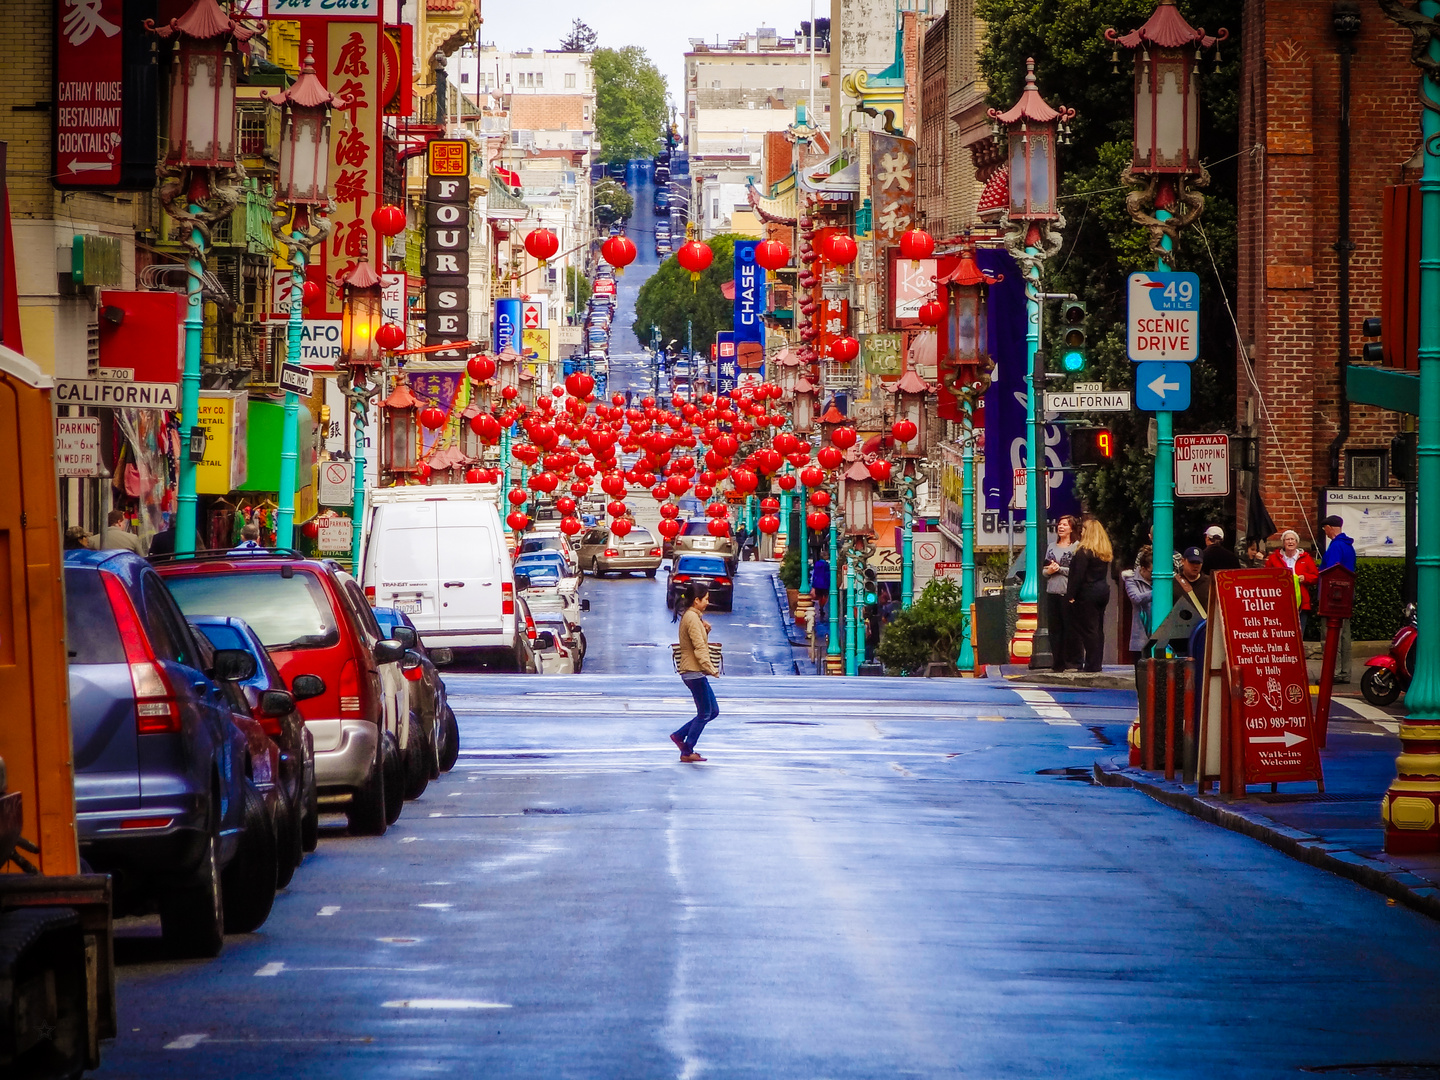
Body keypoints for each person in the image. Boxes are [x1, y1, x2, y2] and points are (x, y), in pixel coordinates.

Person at [670, 582, 720, 762]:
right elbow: (699, 648)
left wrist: (706, 629)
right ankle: (686, 750)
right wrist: (711, 668)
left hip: (695, 671)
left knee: (712, 711)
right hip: (693, 671)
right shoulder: (691, 618)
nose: (708, 602)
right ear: (696, 600)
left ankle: (679, 735)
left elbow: (697, 642)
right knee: (705, 713)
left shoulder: (694, 617)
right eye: (705, 599)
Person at [1065, 517, 1114, 673]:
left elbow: (1077, 576)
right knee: (1098, 629)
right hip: (1102, 591)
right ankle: (1096, 662)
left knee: (1088, 629)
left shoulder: (1083, 552)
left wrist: (1070, 595)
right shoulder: (1102, 552)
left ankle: (1091, 664)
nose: (1081, 531)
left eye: (1084, 529)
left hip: (1087, 593)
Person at [1321, 514, 1357, 682]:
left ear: (1330, 528)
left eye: (1325, 529)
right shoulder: (1349, 546)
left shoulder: (1335, 546)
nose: (1325, 532)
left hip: (1333, 597)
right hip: (1346, 596)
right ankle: (1345, 672)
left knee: (1330, 635)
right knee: (1344, 636)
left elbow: (1331, 572)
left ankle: (1332, 672)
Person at [1042, 514, 1079, 671]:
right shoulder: (1051, 547)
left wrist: (1059, 569)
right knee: (1055, 630)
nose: (1061, 527)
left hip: (1068, 592)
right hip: (1052, 591)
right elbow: (1044, 571)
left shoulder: (1076, 547)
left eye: (1065, 524)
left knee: (1069, 628)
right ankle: (1057, 662)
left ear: (1071, 528)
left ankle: (1071, 661)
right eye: (1059, 524)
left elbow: (1077, 572)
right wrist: (1049, 570)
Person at [1265, 529, 1319, 634]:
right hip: (1280, 601)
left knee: (1299, 632)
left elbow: (1315, 576)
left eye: (1292, 539)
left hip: (1301, 601)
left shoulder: (1306, 558)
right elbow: (1267, 577)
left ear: (1297, 542)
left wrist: (1305, 578)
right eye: (1287, 540)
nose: (1290, 542)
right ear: (1283, 543)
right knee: (1283, 631)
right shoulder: (1273, 559)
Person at [1121, 545, 1153, 656]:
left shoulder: (1160, 580)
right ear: (1143, 569)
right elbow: (1136, 598)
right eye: (1152, 572)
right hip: (1141, 635)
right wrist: (1159, 592)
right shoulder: (1131, 579)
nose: (1154, 575)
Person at [1174, 545, 1212, 617]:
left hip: (1204, 627)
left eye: (1198, 563)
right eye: (1192, 562)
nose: (1195, 566)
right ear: (1183, 561)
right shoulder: (1174, 583)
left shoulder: (1210, 583)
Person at [810, 553, 830, 622]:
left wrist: (813, 584)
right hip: (824, 582)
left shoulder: (817, 564)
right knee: (824, 596)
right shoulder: (827, 565)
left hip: (817, 583)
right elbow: (827, 574)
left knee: (819, 596)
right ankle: (822, 607)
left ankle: (818, 606)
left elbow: (814, 574)